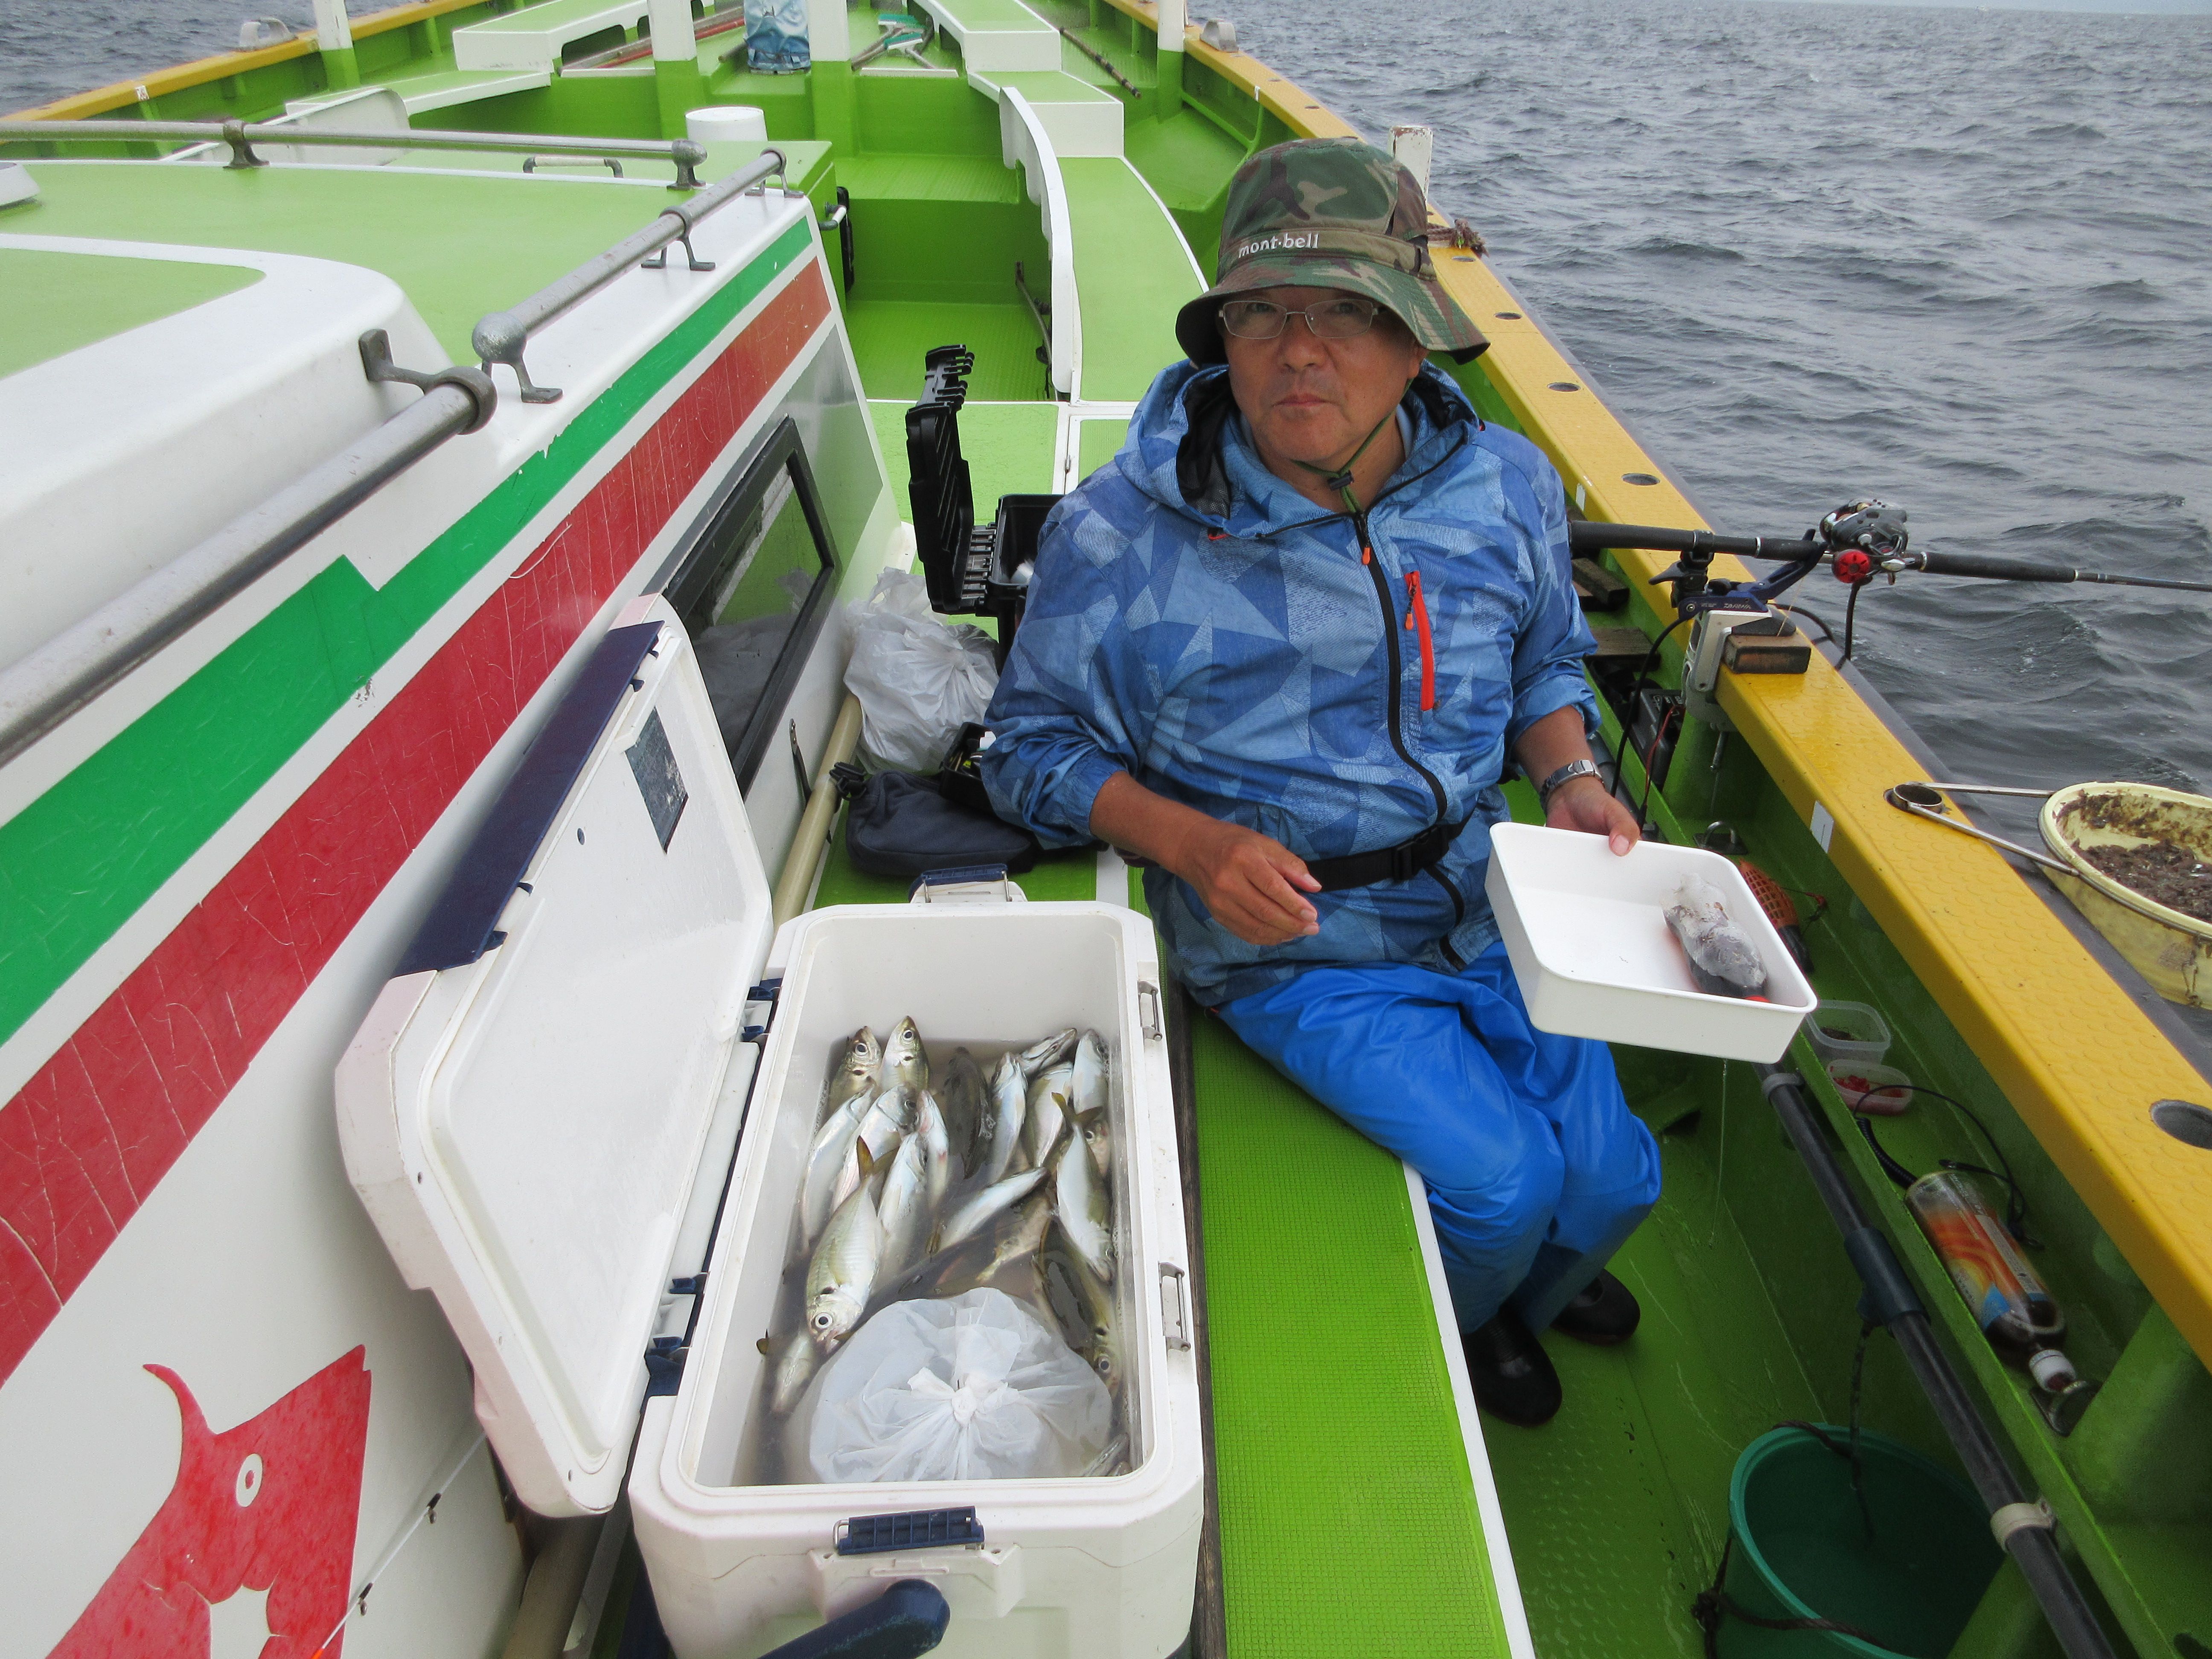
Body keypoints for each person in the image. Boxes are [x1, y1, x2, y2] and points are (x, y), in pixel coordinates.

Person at [978, 136, 1662, 1426]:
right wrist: (1190, 847)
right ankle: (1480, 1321)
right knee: (1503, 1189)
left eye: (1345, 313)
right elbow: (1024, 752)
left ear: (1413, 339)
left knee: (1620, 1181)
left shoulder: (1508, 482)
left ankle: (1529, 1282)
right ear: (1224, 341)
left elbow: (1544, 660)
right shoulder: (1118, 535)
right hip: (1296, 948)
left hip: (1494, 901)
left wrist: (1568, 772)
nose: (1300, 351)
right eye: (1263, 315)